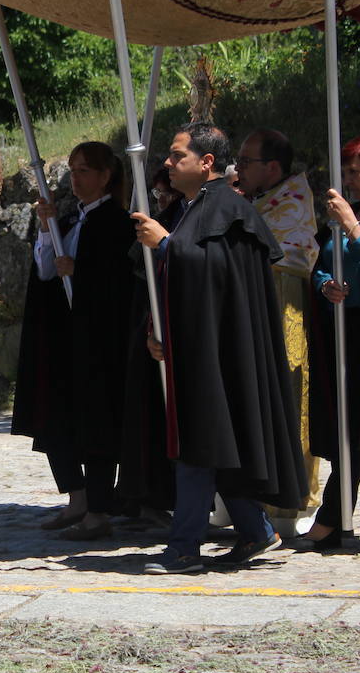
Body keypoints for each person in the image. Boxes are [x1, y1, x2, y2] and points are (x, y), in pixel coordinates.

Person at [131, 123, 307, 573]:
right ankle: (254, 529)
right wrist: (160, 330)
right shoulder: (192, 208)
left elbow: (219, 272)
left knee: (199, 447)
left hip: (223, 353)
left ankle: (184, 548)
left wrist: (167, 244)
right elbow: (182, 280)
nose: (168, 164)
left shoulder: (229, 209)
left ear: (205, 162)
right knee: (212, 445)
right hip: (196, 348)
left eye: (176, 156)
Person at [12, 142, 135, 540]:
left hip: (98, 342)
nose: (75, 178)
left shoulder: (117, 223)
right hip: (64, 337)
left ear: (105, 176)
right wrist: (48, 230)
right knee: (57, 417)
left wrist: (79, 273)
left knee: (96, 423)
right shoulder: (70, 219)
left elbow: (118, 285)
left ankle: (99, 508)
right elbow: (47, 272)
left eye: (84, 170)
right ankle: (77, 499)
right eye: (72, 169)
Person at [235, 129, 321, 535]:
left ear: (272, 168)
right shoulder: (260, 201)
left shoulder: (290, 205)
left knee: (286, 395)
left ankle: (289, 500)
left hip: (282, 307)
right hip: (254, 309)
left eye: (246, 161)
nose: (238, 168)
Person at [299, 134, 360, 551]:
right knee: (350, 432)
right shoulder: (349, 216)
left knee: (359, 431)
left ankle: (330, 517)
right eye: (345, 172)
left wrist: (353, 230)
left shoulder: (356, 220)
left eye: (356, 172)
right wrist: (327, 283)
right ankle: (333, 514)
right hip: (347, 334)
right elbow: (321, 264)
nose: (348, 181)